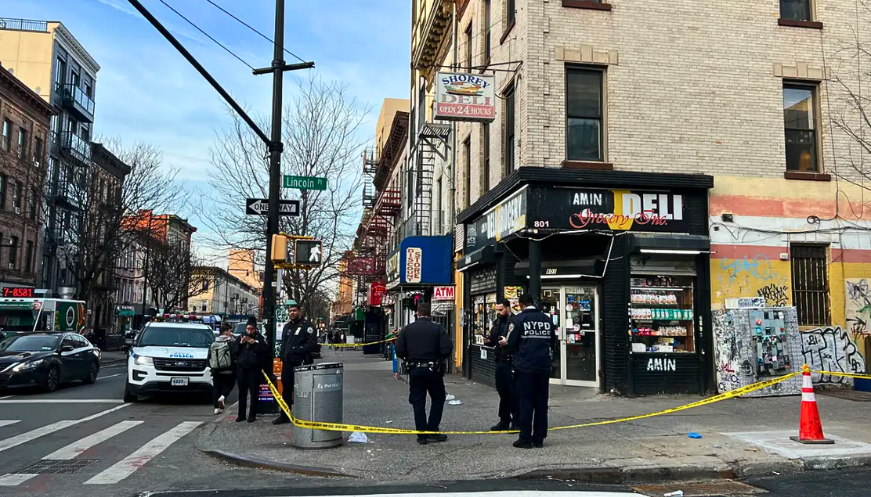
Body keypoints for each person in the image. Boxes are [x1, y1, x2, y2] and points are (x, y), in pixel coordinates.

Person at [502, 293, 556, 449]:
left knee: (525, 402)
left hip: (525, 366)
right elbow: (553, 342)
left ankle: (525, 438)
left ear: (521, 305)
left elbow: (511, 343)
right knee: (541, 402)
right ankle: (539, 438)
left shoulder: (518, 320)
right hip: (543, 366)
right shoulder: (547, 320)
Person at [395, 302, 453, 445]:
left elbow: (399, 349)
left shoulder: (407, 329)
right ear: (430, 314)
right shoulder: (438, 329)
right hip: (433, 370)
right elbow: (447, 348)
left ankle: (422, 435)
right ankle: (432, 430)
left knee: (418, 402)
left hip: (415, 369)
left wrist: (409, 357)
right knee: (438, 399)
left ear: (417, 313)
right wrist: (439, 358)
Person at [273, 300, 320, 425]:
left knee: (303, 390)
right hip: (288, 363)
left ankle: (304, 414)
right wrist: (282, 356)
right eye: (290, 311)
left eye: (294, 311)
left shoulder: (307, 327)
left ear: (299, 312)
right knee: (286, 390)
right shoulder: (287, 326)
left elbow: (312, 344)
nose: (292, 313)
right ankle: (285, 415)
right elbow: (283, 343)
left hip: (301, 362)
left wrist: (297, 350)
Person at [484, 299, 518, 431]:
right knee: (502, 392)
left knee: (513, 392)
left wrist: (508, 343)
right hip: (500, 360)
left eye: (501, 309)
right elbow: (493, 339)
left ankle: (516, 421)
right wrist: (488, 340)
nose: (498, 312)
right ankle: (504, 420)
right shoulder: (497, 322)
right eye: (497, 310)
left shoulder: (515, 321)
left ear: (508, 308)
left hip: (511, 360)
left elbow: (518, 341)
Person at [234, 317, 270, 423]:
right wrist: (240, 344)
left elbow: (265, 351)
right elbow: (234, 352)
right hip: (242, 368)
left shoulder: (260, 338)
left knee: (254, 393)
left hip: (254, 369)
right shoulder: (241, 337)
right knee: (242, 393)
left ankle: (252, 415)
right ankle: (241, 415)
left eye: (251, 329)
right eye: (248, 329)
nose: (249, 331)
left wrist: (254, 343)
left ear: (255, 329)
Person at [208, 322, 238, 415]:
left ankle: (216, 408)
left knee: (216, 387)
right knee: (230, 384)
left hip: (216, 370)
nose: (231, 333)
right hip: (228, 370)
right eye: (230, 331)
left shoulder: (214, 343)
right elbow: (235, 354)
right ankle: (223, 397)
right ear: (226, 332)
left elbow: (209, 357)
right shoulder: (230, 343)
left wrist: (211, 367)